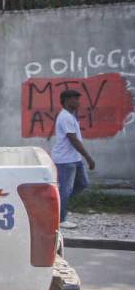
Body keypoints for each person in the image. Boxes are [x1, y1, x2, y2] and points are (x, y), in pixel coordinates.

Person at [51, 89, 95, 229]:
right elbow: (73, 139)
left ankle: (57, 204)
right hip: (65, 160)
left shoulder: (70, 115)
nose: (78, 101)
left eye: (78, 98)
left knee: (82, 183)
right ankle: (60, 219)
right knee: (65, 190)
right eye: (75, 99)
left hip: (74, 159)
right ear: (66, 100)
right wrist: (88, 157)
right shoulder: (65, 117)